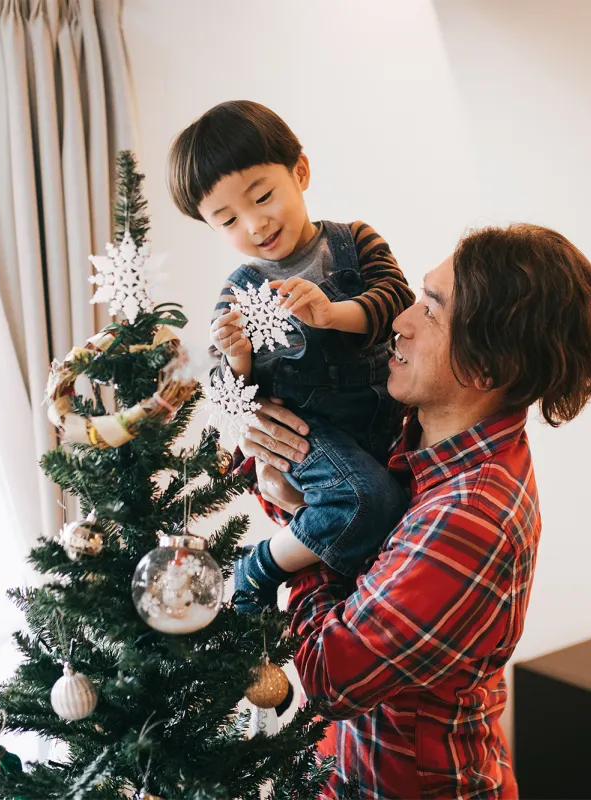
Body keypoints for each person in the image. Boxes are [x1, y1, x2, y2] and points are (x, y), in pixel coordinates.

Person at [236, 224, 591, 798]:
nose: (399, 322)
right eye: (416, 297)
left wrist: (300, 532)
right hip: (344, 767)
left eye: (430, 311)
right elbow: (307, 483)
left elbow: (331, 676)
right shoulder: (408, 426)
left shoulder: (472, 516)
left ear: (486, 368)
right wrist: (264, 450)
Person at [167, 101, 415, 612]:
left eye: (262, 197)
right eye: (229, 219)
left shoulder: (355, 242)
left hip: (384, 419)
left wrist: (332, 315)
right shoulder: (239, 293)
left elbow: (397, 299)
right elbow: (225, 394)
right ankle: (257, 568)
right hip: (311, 437)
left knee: (397, 516)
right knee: (370, 502)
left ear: (299, 171)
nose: (255, 224)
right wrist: (235, 360)